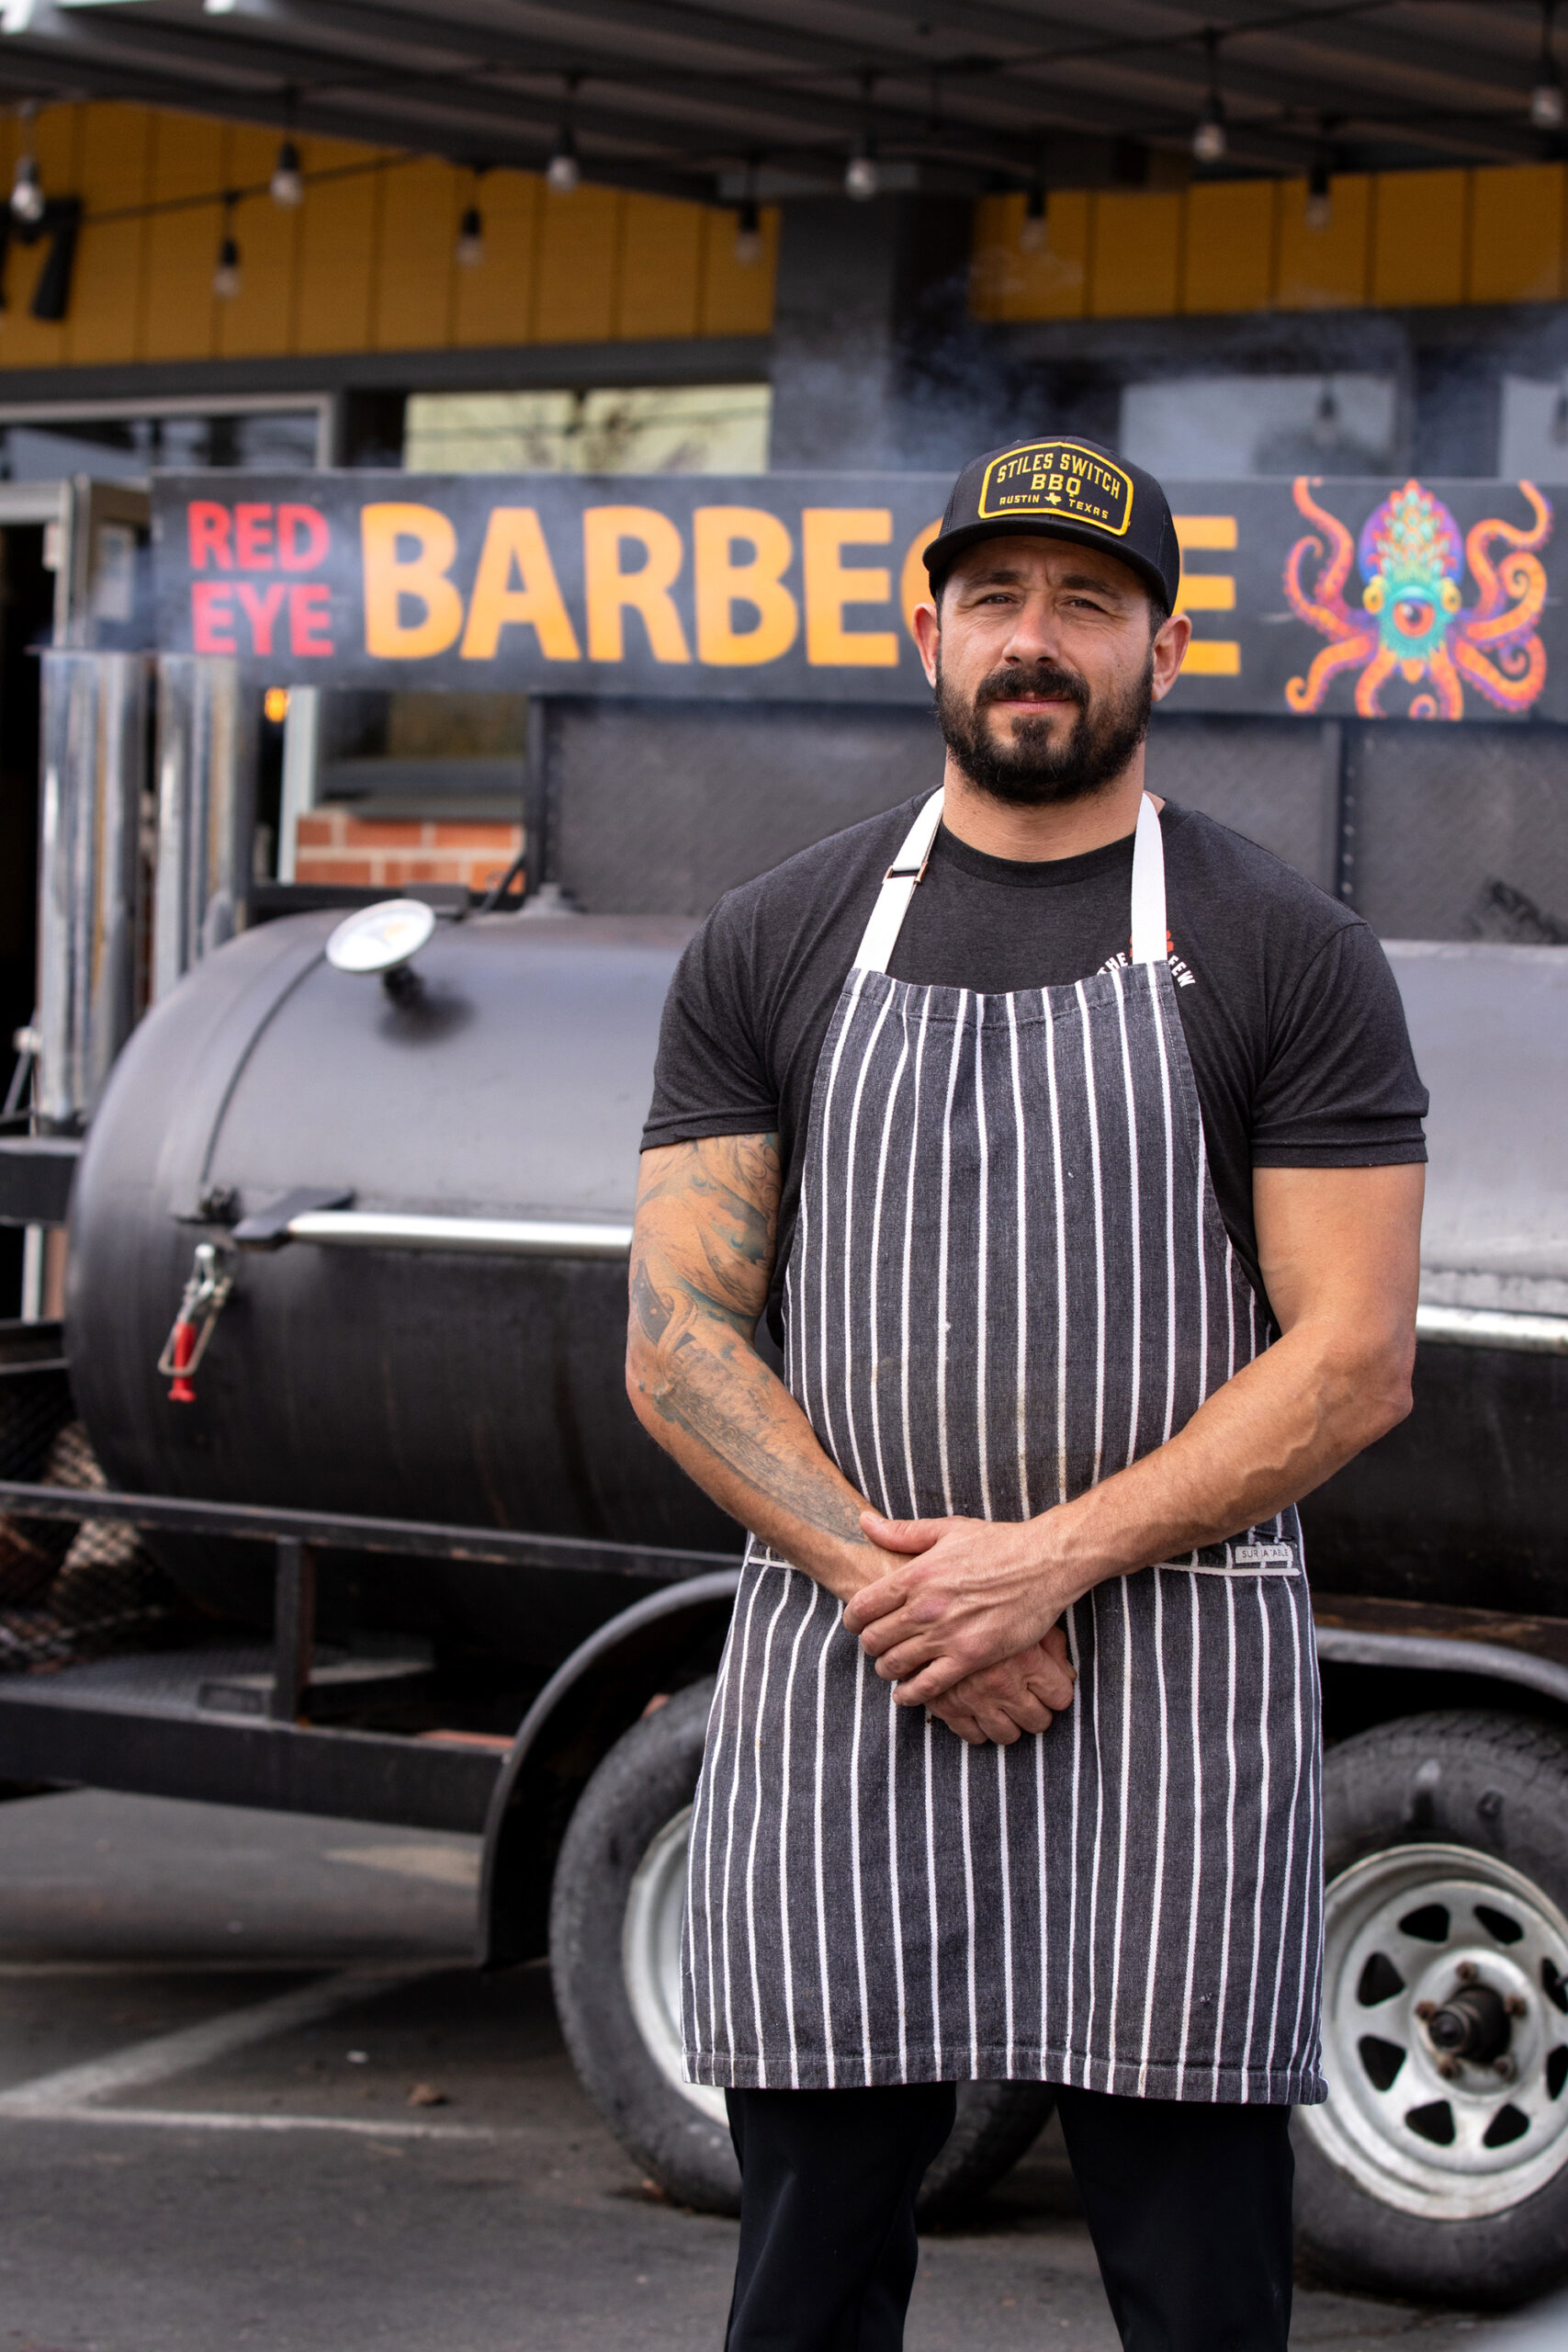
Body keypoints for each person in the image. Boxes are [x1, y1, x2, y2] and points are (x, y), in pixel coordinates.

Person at [627, 434, 1427, 2352]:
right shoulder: (775, 940)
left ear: (1162, 643)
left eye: (1085, 601)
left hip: (1168, 1685)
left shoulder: (1280, 953)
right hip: (851, 1665)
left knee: (1195, 2280)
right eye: (995, 596)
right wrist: (907, 1591)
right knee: (807, 2268)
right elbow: (678, 1337)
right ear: (926, 628)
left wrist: (1040, 1567)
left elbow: (1353, 1353)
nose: (1034, 639)